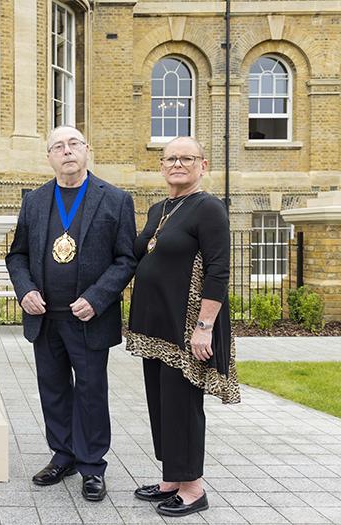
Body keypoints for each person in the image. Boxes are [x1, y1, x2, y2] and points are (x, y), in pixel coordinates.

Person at [6, 125, 136, 501]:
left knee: (91, 391)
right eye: (58, 146)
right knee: (54, 390)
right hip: (46, 317)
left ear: (87, 150)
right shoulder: (34, 200)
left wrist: (97, 298)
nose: (66, 151)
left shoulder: (114, 199)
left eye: (73, 144)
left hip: (88, 318)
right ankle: (62, 455)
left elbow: (126, 259)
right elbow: (17, 255)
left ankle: (92, 466)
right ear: (48, 156)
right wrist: (26, 289)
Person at [126, 136, 240, 517]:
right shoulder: (160, 208)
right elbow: (141, 253)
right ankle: (171, 479)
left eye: (186, 158)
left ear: (202, 165)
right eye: (171, 158)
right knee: (161, 405)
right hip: (155, 327)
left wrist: (205, 325)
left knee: (183, 405)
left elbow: (219, 271)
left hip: (187, 325)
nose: (177, 164)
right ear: (161, 165)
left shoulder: (208, 208)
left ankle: (193, 488)